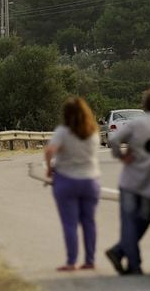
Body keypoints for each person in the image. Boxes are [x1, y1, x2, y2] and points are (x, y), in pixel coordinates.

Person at [105, 89, 150, 275]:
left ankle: (123, 255)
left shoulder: (137, 124)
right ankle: (131, 263)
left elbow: (113, 139)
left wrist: (121, 156)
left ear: (144, 105)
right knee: (145, 219)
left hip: (130, 181)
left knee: (129, 222)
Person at [44, 97, 101, 272]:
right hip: (90, 180)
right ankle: (90, 260)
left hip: (66, 180)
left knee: (70, 224)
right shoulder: (93, 132)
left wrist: (49, 168)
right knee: (89, 222)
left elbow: (49, 150)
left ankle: (71, 262)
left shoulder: (63, 132)